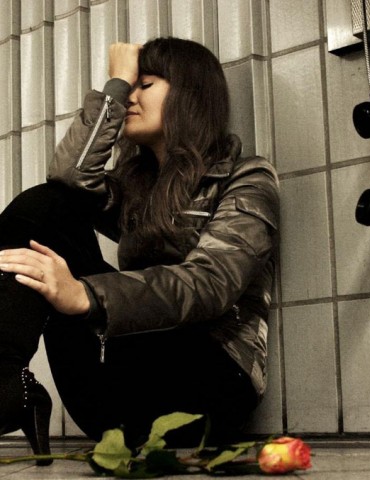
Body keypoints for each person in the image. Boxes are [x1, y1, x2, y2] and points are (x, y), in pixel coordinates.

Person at [0, 37, 279, 460]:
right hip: (116, 396)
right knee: (46, 205)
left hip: (207, 388)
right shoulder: (136, 186)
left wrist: (86, 295)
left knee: (66, 266)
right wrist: (115, 85)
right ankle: (4, 381)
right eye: (128, 88)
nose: (130, 97)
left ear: (190, 95)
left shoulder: (248, 176)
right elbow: (69, 179)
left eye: (143, 85)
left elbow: (211, 283)